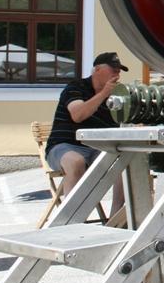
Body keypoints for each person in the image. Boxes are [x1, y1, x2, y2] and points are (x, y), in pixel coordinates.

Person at [45, 52, 127, 217]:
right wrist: (103, 94)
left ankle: (116, 219)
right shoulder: (76, 87)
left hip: (97, 147)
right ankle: (71, 219)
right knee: (76, 162)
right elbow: (78, 115)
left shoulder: (116, 96)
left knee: (124, 162)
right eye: (113, 69)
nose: (116, 74)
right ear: (97, 69)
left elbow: (121, 124)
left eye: (119, 71)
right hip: (65, 146)